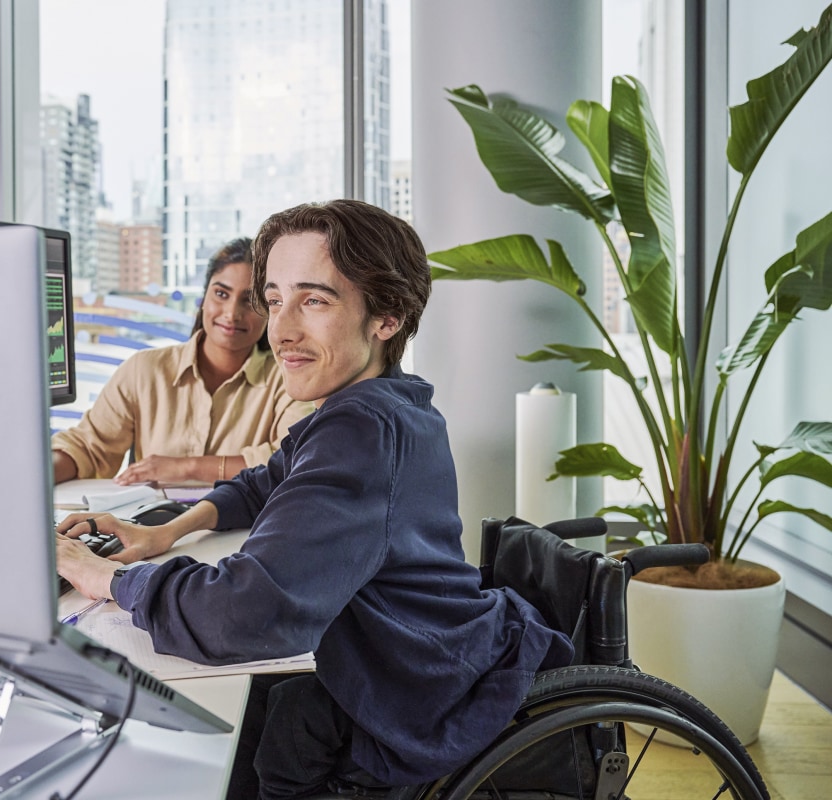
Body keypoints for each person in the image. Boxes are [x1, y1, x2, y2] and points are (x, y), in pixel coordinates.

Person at [55, 200, 573, 799]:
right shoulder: (383, 401)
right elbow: (268, 479)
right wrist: (165, 532)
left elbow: (243, 613)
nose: (280, 329)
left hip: (410, 697)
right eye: (274, 300)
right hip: (412, 651)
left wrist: (106, 579)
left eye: (314, 300)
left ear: (388, 316)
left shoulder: (362, 431)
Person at [51, 237, 311, 485]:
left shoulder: (290, 378)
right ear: (204, 298)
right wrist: (34, 474)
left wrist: (185, 467)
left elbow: (291, 461)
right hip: (150, 526)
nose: (232, 314)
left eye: (250, 300)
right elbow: (88, 447)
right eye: (221, 294)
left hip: (243, 529)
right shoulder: (144, 370)